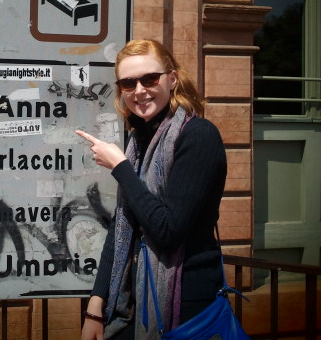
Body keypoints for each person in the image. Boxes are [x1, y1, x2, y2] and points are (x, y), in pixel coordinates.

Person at [76, 39, 227, 340]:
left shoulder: (199, 136)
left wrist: (121, 168)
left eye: (150, 78)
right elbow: (123, 226)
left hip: (184, 306)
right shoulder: (139, 141)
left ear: (172, 79)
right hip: (132, 303)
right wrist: (96, 305)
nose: (139, 90)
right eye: (128, 83)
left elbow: (168, 230)